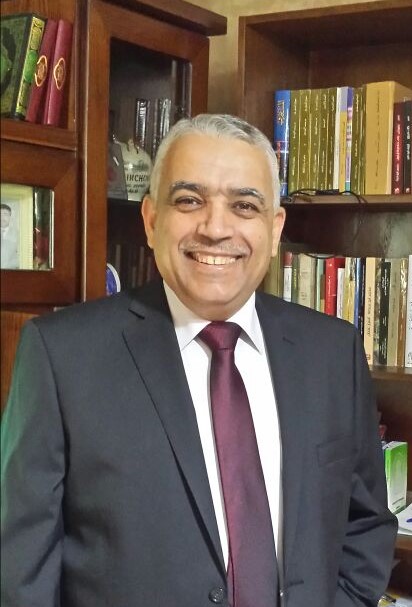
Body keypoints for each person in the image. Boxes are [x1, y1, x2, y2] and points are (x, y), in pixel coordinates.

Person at [1, 114, 397, 606]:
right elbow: (21, 572)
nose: (215, 228)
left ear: (275, 229)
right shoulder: (61, 356)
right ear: (151, 220)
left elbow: (365, 526)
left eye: (244, 205)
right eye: (190, 200)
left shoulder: (332, 353)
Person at [0, 203, 19, 269]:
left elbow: (22, 256)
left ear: (10, 217)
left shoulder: (18, 235)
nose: (2, 217)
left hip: (11, 271)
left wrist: (6, 266)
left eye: (5, 214)